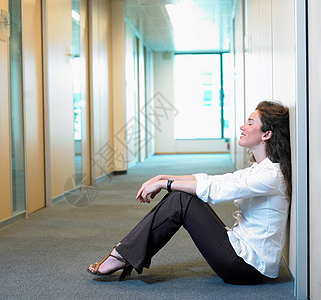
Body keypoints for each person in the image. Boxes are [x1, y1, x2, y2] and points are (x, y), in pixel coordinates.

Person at [87, 101, 291, 284]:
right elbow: (214, 180)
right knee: (181, 196)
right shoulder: (260, 169)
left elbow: (216, 190)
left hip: (246, 267)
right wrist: (162, 177)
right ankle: (123, 255)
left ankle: (121, 256)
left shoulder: (271, 175)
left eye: (250, 122)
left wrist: (166, 184)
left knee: (181, 200)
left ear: (266, 134)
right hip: (241, 252)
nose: (242, 126)